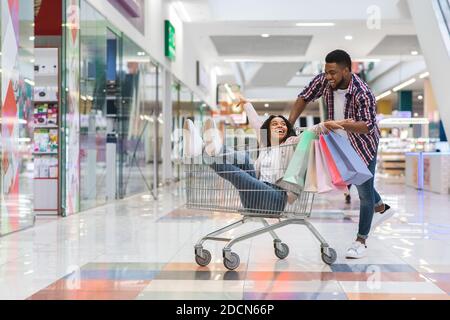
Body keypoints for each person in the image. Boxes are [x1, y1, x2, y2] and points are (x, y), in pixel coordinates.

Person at [289, 49, 392, 259]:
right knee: (351, 182)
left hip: (363, 145)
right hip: (337, 144)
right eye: (326, 72)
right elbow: (303, 98)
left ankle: (360, 241)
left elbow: (367, 126)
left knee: (363, 192)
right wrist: (288, 125)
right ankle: (381, 206)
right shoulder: (324, 81)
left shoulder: (363, 92)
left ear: (347, 70)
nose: (329, 77)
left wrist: (342, 125)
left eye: (333, 73)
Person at [183, 96, 299, 214]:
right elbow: (256, 123)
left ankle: (202, 150)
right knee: (245, 160)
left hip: (276, 200)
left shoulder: (292, 144)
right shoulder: (266, 144)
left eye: (283, 124)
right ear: (268, 130)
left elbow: (309, 135)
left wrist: (319, 127)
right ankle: (209, 149)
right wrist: (246, 104)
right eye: (274, 124)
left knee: (239, 175)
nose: (279, 125)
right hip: (254, 196)